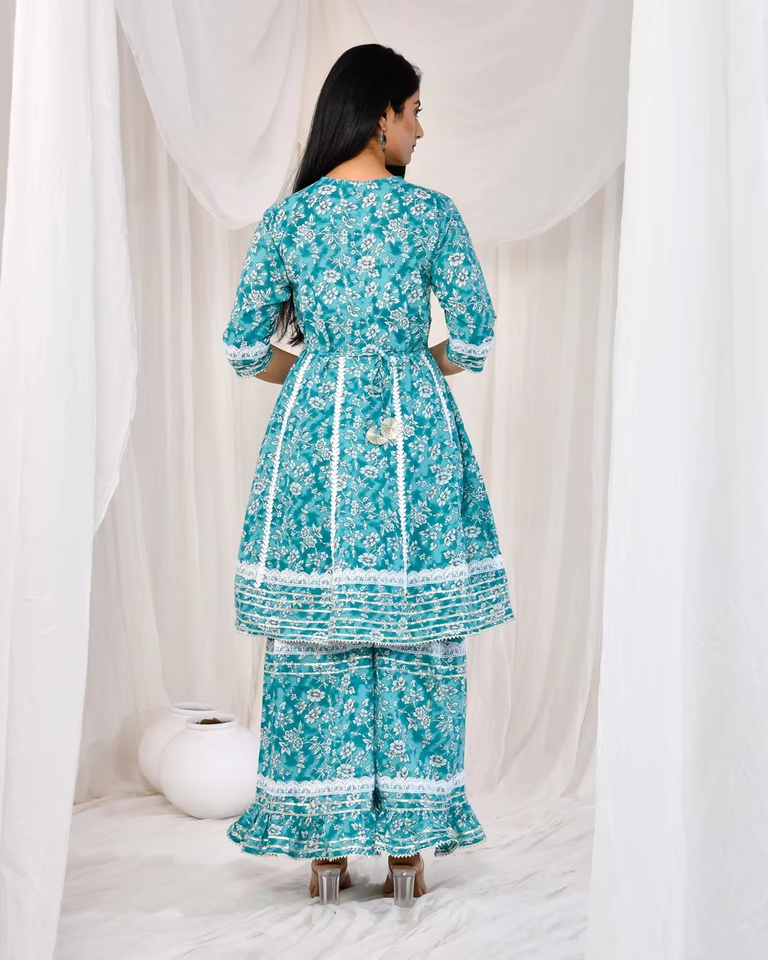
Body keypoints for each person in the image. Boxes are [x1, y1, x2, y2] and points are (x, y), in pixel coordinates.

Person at [222, 43, 514, 907]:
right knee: (417, 630)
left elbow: (244, 349)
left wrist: (318, 379)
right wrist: (410, 371)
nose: (422, 130)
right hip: (411, 439)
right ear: (380, 112)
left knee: (318, 635)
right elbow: (474, 337)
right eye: (415, 111)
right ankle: (409, 850)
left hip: (313, 446)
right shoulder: (429, 215)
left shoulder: (289, 219)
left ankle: (324, 847)